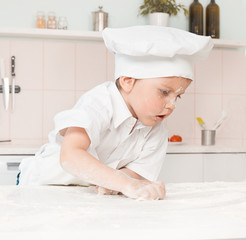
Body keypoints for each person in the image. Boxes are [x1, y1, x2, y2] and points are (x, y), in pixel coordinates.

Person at [18, 26, 213, 200]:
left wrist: (132, 185)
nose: (172, 105)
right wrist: (127, 185)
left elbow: (136, 173)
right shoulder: (100, 102)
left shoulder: (157, 130)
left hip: (82, 196)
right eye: (164, 92)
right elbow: (71, 156)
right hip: (38, 186)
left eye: (178, 96)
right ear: (128, 81)